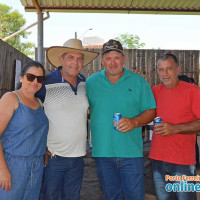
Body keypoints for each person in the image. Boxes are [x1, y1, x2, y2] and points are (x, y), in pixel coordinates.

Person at [86, 39, 156, 200]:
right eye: (108, 58)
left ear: (124, 59)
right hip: (103, 153)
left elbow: (151, 111)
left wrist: (134, 122)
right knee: (111, 196)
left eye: (117, 57)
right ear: (102, 60)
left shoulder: (138, 81)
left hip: (131, 153)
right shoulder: (91, 83)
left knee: (135, 196)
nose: (112, 62)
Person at [36, 38, 99, 200]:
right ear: (61, 59)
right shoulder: (45, 83)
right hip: (52, 157)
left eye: (79, 58)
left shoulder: (86, 83)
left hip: (78, 157)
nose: (75, 62)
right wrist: (38, 145)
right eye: (70, 57)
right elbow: (28, 113)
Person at [149, 53, 200, 200]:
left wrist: (175, 128)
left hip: (183, 163)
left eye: (169, 69)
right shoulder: (155, 91)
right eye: (161, 69)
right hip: (158, 160)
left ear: (178, 69)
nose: (164, 74)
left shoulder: (193, 91)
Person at [0, 61, 49, 200]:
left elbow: (32, 131)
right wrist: (2, 170)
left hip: (36, 165)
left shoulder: (39, 103)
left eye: (40, 79)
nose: (35, 81)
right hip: (13, 165)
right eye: (30, 77)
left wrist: (42, 148)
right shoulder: (11, 98)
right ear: (21, 77)